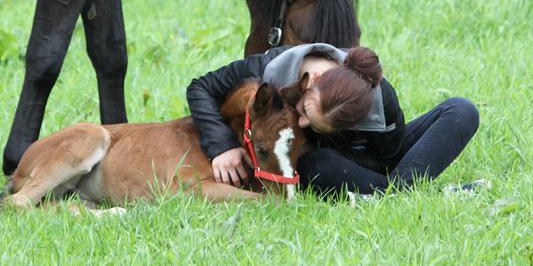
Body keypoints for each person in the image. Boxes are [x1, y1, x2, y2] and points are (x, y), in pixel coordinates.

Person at [186, 43, 480, 197]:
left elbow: (391, 156)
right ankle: (414, 193)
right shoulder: (270, 66)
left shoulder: (381, 98)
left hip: (371, 162)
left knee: (461, 110)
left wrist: (383, 177)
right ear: (311, 81)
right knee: (316, 164)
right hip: (326, 163)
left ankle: (389, 194)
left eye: (311, 124)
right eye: (304, 112)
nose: (301, 123)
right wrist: (222, 146)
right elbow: (200, 87)